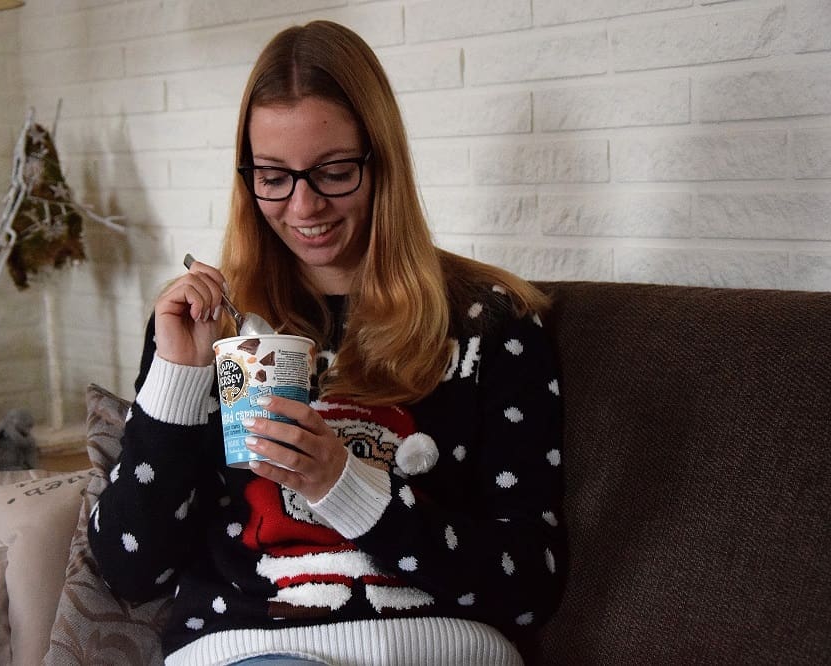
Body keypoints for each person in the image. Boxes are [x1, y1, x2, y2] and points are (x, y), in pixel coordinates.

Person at [88, 20, 566, 666]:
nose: (304, 207)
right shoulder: (209, 327)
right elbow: (130, 570)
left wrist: (348, 486)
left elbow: (531, 583)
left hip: (428, 651)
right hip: (246, 651)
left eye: (334, 172)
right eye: (273, 177)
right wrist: (177, 377)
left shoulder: (491, 324)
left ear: (381, 161)